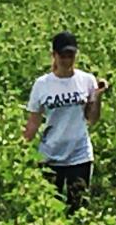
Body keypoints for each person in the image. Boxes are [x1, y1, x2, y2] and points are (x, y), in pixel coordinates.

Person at [23, 32, 109, 213]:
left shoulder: (86, 80)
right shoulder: (42, 84)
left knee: (78, 208)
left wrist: (98, 97)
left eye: (71, 55)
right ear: (54, 55)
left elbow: (92, 119)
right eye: (63, 55)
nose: (67, 60)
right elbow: (33, 122)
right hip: (50, 155)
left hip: (79, 155)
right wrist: (20, 149)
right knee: (49, 211)